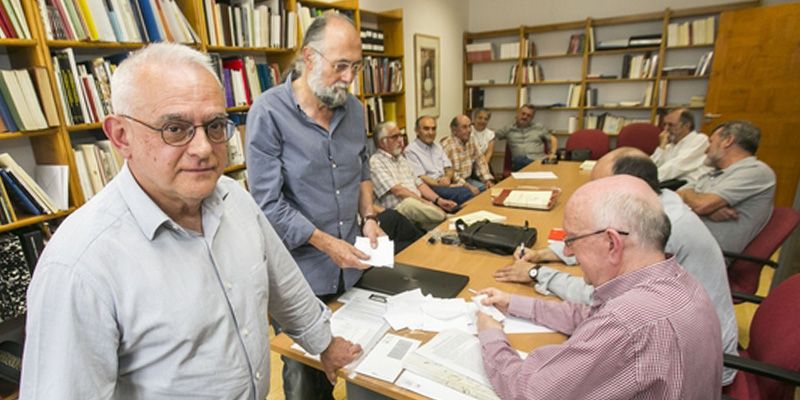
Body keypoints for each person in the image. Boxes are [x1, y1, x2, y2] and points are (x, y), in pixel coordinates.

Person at [20, 43, 361, 399]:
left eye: (215, 126)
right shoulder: (79, 265)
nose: (202, 148)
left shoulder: (235, 199)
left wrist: (325, 343)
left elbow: (286, 286)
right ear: (121, 136)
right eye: (175, 128)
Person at [495, 147, 738, 385]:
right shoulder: (661, 248)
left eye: (572, 242)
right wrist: (515, 302)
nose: (568, 251)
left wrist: (491, 335)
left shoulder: (626, 322)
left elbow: (532, 391)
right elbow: (593, 312)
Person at [245, 14, 381, 400]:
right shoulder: (268, 113)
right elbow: (267, 205)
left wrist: (369, 216)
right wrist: (326, 243)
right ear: (309, 57)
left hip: (353, 272)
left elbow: (363, 163)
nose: (349, 78)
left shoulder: (353, 109)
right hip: (299, 279)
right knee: (307, 387)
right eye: (340, 66)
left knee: (363, 370)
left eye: (355, 67)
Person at [678, 120, 776, 254]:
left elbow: (701, 204)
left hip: (704, 254)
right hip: (684, 244)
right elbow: (679, 194)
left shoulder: (756, 171)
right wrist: (706, 209)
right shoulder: (713, 173)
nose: (706, 150)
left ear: (728, 141)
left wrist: (698, 203)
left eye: (711, 142)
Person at [370, 121, 457, 230]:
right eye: (395, 137)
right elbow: (398, 191)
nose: (400, 140)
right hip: (399, 210)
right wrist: (425, 202)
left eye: (400, 135)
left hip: (418, 208)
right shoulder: (375, 162)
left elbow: (419, 184)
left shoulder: (401, 159)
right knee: (409, 203)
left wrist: (438, 200)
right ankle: (449, 218)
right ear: (383, 142)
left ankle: (451, 223)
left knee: (442, 229)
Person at [404, 115, 475, 205]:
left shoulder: (437, 146)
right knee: (465, 193)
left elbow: (449, 168)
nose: (431, 132)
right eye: (426, 129)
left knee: (473, 191)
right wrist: (442, 184)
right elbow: (421, 177)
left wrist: (447, 177)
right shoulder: (411, 151)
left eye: (433, 129)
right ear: (417, 130)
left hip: (444, 183)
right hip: (430, 188)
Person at [650, 108, 712, 184]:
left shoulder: (699, 140)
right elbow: (651, 166)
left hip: (690, 186)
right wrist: (661, 147)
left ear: (686, 126)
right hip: (669, 182)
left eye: (671, 125)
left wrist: (647, 178)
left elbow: (676, 167)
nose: (665, 129)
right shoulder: (670, 145)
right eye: (664, 124)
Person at [441, 114, 495, 191]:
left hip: (468, 179)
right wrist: (469, 187)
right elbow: (453, 175)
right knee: (479, 192)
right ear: (454, 130)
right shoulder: (449, 146)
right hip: (454, 184)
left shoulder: (471, 139)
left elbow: (480, 161)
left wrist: (487, 180)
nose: (469, 130)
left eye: (470, 126)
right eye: (464, 127)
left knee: (488, 189)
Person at [494, 104, 557, 171]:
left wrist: (552, 154)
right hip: (520, 164)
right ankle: (534, 167)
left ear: (532, 118)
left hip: (539, 161)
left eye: (529, 116)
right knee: (520, 159)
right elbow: (491, 136)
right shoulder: (508, 129)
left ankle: (535, 167)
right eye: (523, 114)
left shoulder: (539, 127)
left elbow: (553, 139)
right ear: (518, 113)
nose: (525, 117)